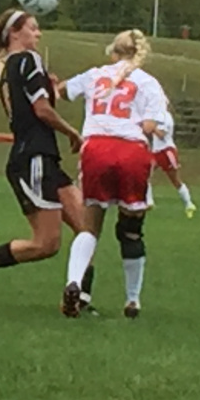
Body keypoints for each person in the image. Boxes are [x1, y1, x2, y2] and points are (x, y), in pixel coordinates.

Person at [0, 7, 93, 318]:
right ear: (15, 33)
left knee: (86, 228)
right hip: (33, 159)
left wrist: (50, 88)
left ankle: (79, 299)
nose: (38, 33)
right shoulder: (29, 60)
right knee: (47, 244)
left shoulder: (9, 67)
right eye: (33, 27)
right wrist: (73, 132)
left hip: (44, 158)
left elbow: (33, 104)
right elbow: (41, 110)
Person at [59, 30, 168, 319]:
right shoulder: (149, 83)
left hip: (96, 149)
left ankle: (74, 283)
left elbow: (61, 91)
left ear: (113, 52)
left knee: (90, 226)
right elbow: (149, 125)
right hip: (131, 151)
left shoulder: (95, 74)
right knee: (131, 230)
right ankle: (132, 300)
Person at [150, 99, 197, 218]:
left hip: (166, 151)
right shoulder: (156, 116)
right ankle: (148, 202)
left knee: (175, 180)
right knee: (144, 174)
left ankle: (189, 203)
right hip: (156, 152)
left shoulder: (165, 117)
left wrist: (152, 127)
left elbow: (161, 134)